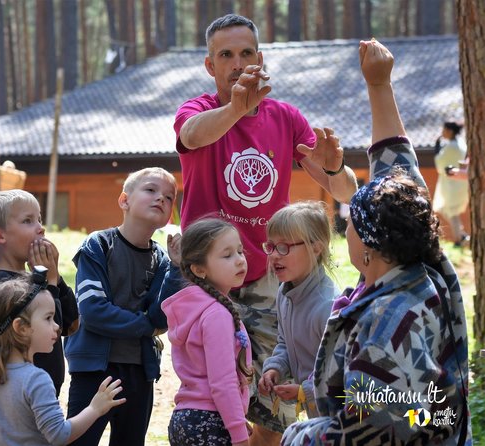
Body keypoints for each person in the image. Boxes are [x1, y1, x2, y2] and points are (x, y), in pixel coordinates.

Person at [173, 13, 357, 443]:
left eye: (246, 53)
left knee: (273, 411)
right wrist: (235, 109)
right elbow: (194, 136)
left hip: (266, 279)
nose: (237, 64)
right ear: (210, 65)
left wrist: (333, 165)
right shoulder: (196, 110)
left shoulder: (285, 117)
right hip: (206, 284)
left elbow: (343, 188)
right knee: (214, 403)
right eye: (226, 55)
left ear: (260, 58)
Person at [281, 39, 471, 445]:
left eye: (349, 221)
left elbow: (378, 429)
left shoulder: (388, 324)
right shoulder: (423, 264)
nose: (343, 227)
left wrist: (301, 436)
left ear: (367, 245)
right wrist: (379, 85)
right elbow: (401, 177)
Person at [64, 167, 182, 446]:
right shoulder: (98, 245)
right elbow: (93, 311)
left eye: (169, 196)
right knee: (79, 440)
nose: (160, 199)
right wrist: (146, 326)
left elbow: (162, 318)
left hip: (140, 370)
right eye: (151, 190)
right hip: (94, 368)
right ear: (124, 201)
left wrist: (177, 270)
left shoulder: (164, 260)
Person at [0, 269, 126, 445]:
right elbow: (60, 435)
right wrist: (95, 409)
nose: (57, 326)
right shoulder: (36, 379)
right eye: (48, 318)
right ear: (21, 327)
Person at [0, 189, 79, 396]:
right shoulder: (1, 284)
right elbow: (52, 330)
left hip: (47, 388)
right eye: (28, 221)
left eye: (39, 219)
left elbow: (71, 325)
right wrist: (49, 283)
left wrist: (54, 278)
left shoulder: (38, 279)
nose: (41, 228)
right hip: (24, 392)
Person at [162, 218, 253, 446]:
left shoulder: (194, 308)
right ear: (199, 269)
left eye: (240, 251)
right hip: (210, 423)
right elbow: (222, 383)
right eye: (227, 255)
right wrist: (239, 435)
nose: (240, 260)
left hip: (185, 420)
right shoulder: (216, 315)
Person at [258, 201, 339, 425]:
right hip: (316, 411)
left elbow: (337, 371)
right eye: (271, 246)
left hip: (337, 415)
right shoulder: (285, 293)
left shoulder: (327, 306)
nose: (274, 255)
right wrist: (276, 367)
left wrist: (305, 391)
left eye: (284, 247)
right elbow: (286, 342)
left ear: (316, 247)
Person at [433, 121, 470, 247]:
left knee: (450, 211)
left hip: (452, 184)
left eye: (444, 130)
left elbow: (440, 163)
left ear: (449, 131)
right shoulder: (460, 144)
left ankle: (459, 239)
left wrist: (437, 148)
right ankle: (461, 235)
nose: (442, 133)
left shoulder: (451, 147)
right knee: (451, 211)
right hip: (460, 183)